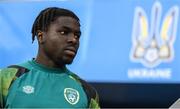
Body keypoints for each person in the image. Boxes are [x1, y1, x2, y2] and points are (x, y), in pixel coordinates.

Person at [0, 7, 100, 108]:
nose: (73, 40)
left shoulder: (87, 92)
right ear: (40, 36)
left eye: (77, 36)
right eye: (64, 32)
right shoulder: (7, 78)